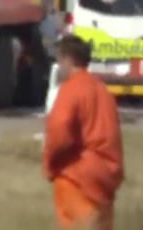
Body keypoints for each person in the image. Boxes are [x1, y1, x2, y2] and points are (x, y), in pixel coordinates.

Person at [43, 35, 124, 230]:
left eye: (58, 60)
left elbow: (59, 131)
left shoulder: (71, 90)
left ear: (67, 60)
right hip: (106, 179)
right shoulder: (102, 90)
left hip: (78, 179)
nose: (58, 66)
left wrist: (49, 163)